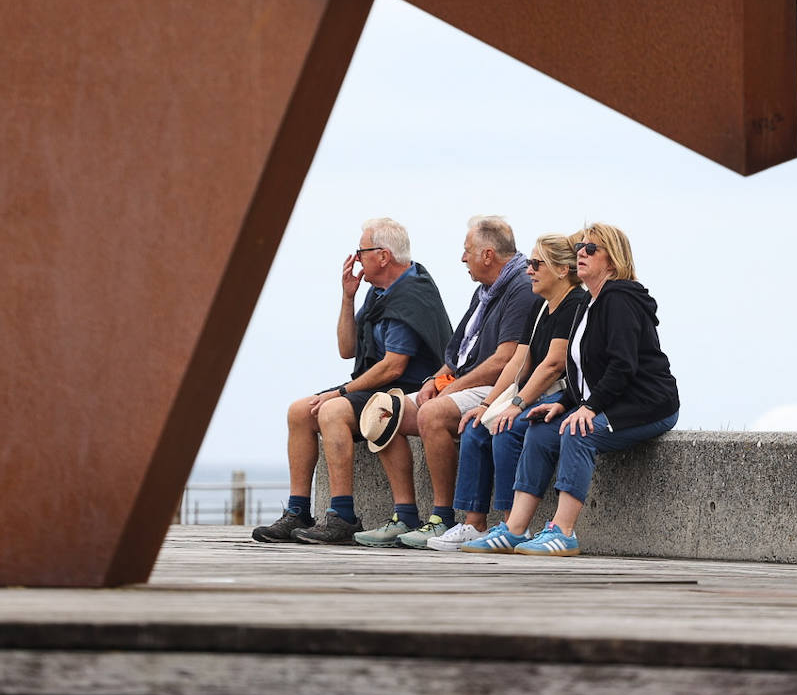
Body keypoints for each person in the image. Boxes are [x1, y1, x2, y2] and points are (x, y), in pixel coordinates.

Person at [461, 223, 679, 556]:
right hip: (610, 400)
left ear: (612, 258)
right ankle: (514, 529)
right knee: (540, 430)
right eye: (580, 248)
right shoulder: (589, 302)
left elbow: (622, 367)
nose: (581, 254)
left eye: (591, 249)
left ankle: (563, 532)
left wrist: (588, 408)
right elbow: (581, 369)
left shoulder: (620, 299)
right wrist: (564, 402)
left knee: (579, 432)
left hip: (646, 404)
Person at [251, 218, 451, 545]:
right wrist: (347, 298)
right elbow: (347, 350)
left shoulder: (412, 293)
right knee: (299, 412)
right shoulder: (378, 294)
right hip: (376, 386)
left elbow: (393, 367)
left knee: (332, 411)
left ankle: (342, 516)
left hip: (408, 389)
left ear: (383, 256)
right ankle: (298, 511)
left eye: (361, 251)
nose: (357, 258)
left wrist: (340, 393)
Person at [352, 216, 538, 548]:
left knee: (432, 413)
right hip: (468, 382)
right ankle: (405, 515)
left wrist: (452, 388)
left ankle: (442, 517)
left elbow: (505, 359)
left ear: (487, 255)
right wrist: (434, 380)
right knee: (384, 411)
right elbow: (457, 355)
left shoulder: (521, 288)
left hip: (500, 387)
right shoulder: (484, 291)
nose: (462, 258)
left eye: (467, 251)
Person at [421, 234, 587, 550]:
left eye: (536, 264)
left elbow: (553, 366)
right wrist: (487, 404)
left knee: (506, 428)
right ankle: (474, 523)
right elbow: (518, 363)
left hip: (560, 396)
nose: (529, 270)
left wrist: (516, 405)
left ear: (562, 270)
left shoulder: (574, 303)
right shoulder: (540, 305)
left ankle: (513, 527)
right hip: (534, 394)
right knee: (475, 426)